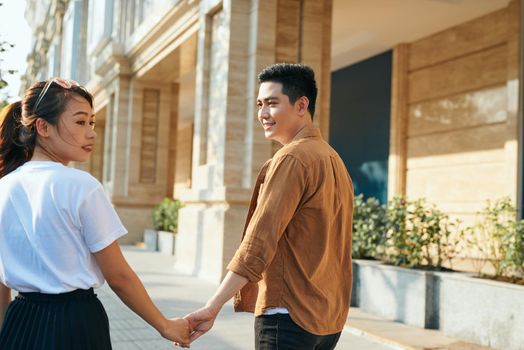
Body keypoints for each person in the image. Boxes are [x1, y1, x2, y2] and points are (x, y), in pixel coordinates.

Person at [0, 78, 191, 349]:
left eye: (92, 123)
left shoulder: (4, 186)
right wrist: (165, 325)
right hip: (74, 324)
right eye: (80, 122)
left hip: (18, 323)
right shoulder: (81, 186)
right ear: (43, 127)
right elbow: (119, 277)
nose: (91, 133)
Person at [184, 63, 354, 350]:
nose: (262, 114)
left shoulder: (292, 159)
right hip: (328, 319)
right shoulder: (333, 159)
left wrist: (212, 307)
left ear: (302, 105)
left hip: (288, 316)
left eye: (272, 104)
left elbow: (258, 244)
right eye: (260, 104)